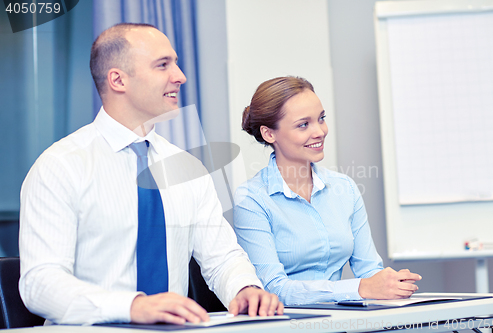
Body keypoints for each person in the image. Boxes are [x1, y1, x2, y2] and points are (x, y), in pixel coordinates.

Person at [19, 23, 283, 325]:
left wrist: (245, 287)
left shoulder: (188, 168)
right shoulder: (60, 166)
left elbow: (221, 257)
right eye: (163, 65)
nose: (180, 76)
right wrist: (132, 307)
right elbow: (39, 283)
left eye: (176, 63)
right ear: (118, 79)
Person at [233, 76, 421, 306]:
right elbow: (274, 289)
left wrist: (392, 284)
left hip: (343, 320)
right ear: (269, 134)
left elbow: (369, 270)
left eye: (321, 119)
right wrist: (360, 288)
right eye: (304, 124)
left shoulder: (345, 188)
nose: (320, 132)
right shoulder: (252, 199)